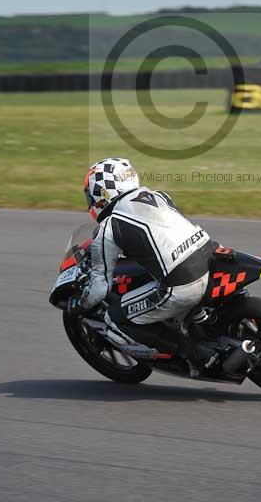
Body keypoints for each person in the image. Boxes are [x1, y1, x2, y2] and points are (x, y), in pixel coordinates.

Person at [68, 157, 217, 373]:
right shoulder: (157, 196)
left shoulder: (108, 227)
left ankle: (195, 354)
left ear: (101, 193)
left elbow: (99, 289)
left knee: (116, 317)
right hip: (210, 256)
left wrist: (81, 305)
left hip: (182, 283)